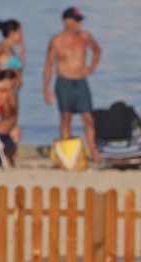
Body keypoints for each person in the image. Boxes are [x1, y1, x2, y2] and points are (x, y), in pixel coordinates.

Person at [43, 7, 102, 160]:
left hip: (81, 81)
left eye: (80, 21)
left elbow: (97, 50)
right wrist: (46, 90)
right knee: (66, 117)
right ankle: (67, 153)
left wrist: (91, 67)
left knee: (88, 117)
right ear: (66, 21)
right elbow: (49, 64)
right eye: (76, 21)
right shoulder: (57, 40)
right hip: (64, 81)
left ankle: (93, 151)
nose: (78, 24)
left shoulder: (85, 36)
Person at [0, 67, 21, 165]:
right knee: (16, 130)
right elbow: (9, 116)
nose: (13, 87)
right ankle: (8, 158)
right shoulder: (5, 94)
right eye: (13, 84)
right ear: (7, 80)